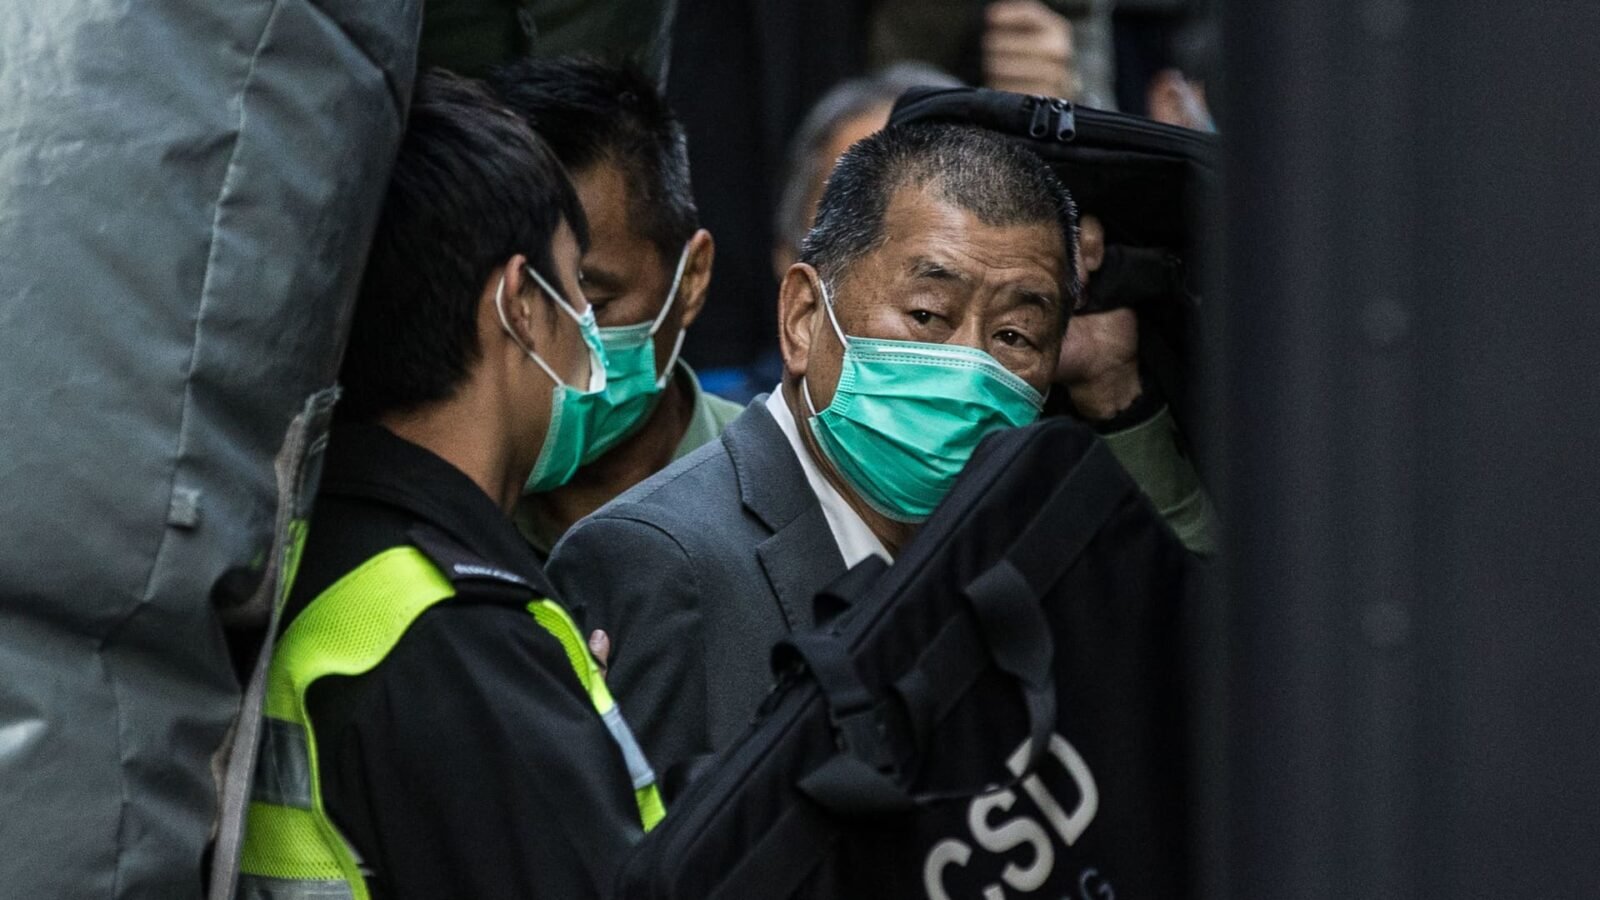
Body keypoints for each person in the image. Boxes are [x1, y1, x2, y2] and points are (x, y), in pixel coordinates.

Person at [548, 122, 1094, 775]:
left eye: (1015, 335)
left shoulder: (1029, 570)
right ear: (804, 317)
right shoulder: (656, 563)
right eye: (926, 315)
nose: (969, 367)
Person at [236, 72, 663, 900]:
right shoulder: (449, 633)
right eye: (578, 290)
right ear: (517, 305)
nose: (590, 334)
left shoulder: (314, 544)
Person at [486, 56, 743, 559]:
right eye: (512, 304)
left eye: (593, 303)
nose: (541, 344)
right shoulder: (443, 499)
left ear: (691, 279)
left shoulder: (777, 487)